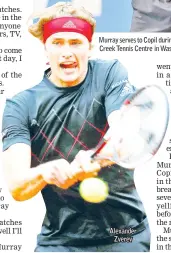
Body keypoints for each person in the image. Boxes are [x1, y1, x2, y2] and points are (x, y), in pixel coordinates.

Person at [1, 2, 150, 252]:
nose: (66, 53)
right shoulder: (20, 105)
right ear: (45, 48)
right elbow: (17, 187)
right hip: (59, 241)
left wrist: (99, 154)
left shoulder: (109, 73)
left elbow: (125, 126)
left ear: (89, 47)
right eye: (57, 43)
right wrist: (44, 172)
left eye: (75, 42)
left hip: (124, 235)